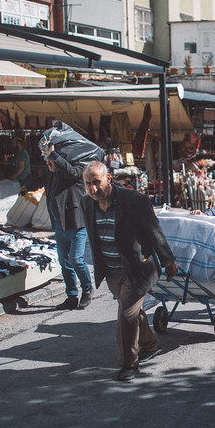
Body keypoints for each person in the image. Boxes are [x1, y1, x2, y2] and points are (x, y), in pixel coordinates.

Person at [81, 161, 178, 381]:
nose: (92, 189)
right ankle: (150, 344)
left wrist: (169, 261)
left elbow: (155, 232)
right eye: (88, 184)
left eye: (96, 182)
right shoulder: (87, 203)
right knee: (131, 311)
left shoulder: (135, 201)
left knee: (126, 315)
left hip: (137, 269)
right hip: (111, 271)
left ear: (108, 179)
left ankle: (129, 364)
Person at [22, 143, 93, 310]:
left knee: (76, 259)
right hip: (60, 225)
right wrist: (28, 187)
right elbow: (40, 180)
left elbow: (71, 172)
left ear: (60, 160)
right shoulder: (50, 173)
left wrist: (54, 154)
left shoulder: (74, 171)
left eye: (51, 161)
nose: (48, 164)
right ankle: (71, 296)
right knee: (65, 262)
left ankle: (88, 289)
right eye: (47, 161)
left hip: (76, 224)